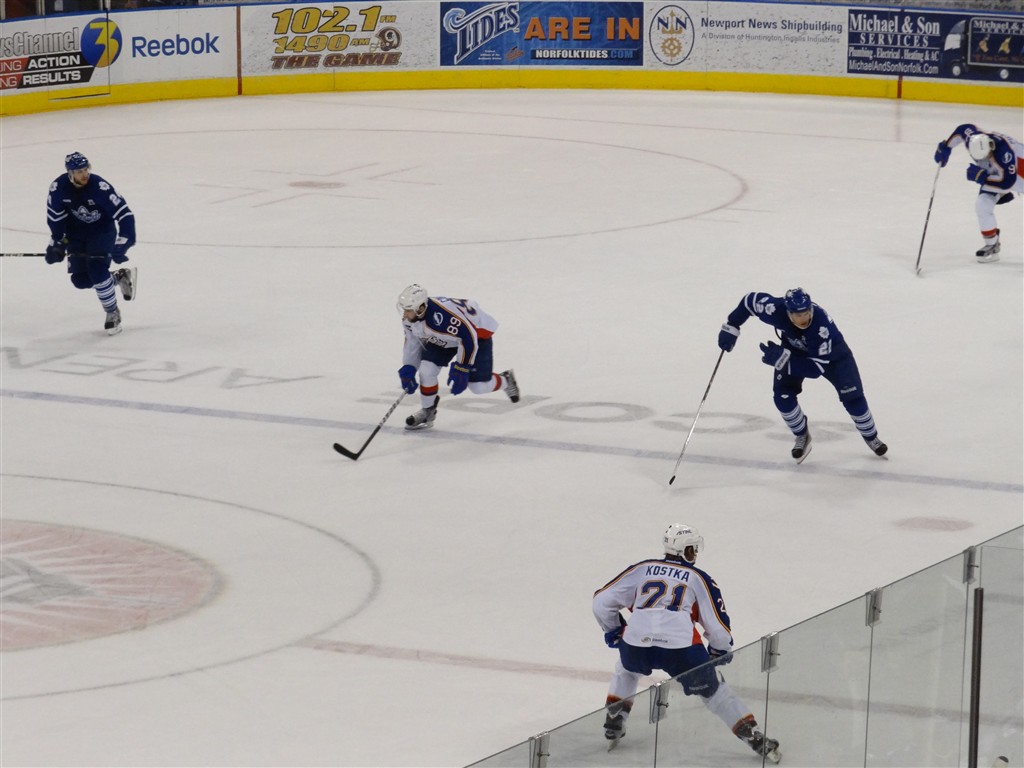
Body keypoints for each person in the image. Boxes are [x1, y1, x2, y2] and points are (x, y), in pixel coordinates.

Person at [592, 523, 781, 762]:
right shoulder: (698, 578)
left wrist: (614, 630)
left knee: (627, 667)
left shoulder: (642, 569)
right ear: (685, 551)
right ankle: (753, 736)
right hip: (681, 651)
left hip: (636, 645)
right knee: (715, 691)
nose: (695, 553)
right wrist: (719, 651)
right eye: (693, 548)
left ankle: (614, 720)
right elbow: (718, 629)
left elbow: (601, 602)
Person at [717, 288, 886, 463]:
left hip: (834, 357)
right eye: (798, 315)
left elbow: (815, 369)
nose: (803, 318)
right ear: (788, 312)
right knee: (782, 397)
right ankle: (802, 435)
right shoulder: (775, 310)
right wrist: (732, 325)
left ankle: (871, 437)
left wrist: (783, 360)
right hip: (795, 351)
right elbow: (750, 301)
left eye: (806, 313)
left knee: (854, 399)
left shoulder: (821, 327)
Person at [396, 284, 518, 429]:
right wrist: (409, 367)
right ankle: (428, 410)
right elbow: (412, 342)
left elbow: (468, 338)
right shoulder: (412, 319)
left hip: (477, 336)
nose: (405, 314)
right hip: (445, 337)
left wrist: (462, 368)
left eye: (408, 310)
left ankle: (506, 380)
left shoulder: (442, 318)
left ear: (420, 308)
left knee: (478, 387)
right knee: (426, 370)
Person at [45, 152, 137, 335]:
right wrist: (57, 244)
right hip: (76, 235)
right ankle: (118, 277)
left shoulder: (100, 187)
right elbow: (56, 219)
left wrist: (124, 242)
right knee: (80, 281)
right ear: (70, 173)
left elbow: (125, 214)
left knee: (97, 270)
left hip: (101, 232)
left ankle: (112, 312)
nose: (84, 174)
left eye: (86, 169)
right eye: (79, 171)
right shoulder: (58, 188)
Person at [934, 123, 1022, 263]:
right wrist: (946, 147)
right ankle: (991, 244)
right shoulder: (974, 139)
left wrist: (982, 177)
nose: (983, 161)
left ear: (991, 146)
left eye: (986, 157)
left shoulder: (1005, 154)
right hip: (998, 175)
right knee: (982, 204)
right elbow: (962, 129)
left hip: (1016, 177)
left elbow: (1007, 182)